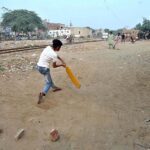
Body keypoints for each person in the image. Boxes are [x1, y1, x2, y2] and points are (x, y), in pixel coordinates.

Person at [37, 39, 66, 104]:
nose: (60, 48)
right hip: (44, 68)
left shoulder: (48, 47)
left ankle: (55, 87)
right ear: (58, 47)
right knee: (48, 83)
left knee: (49, 79)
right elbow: (54, 66)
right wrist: (62, 65)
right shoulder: (54, 55)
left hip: (38, 66)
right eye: (60, 47)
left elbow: (56, 56)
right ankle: (42, 93)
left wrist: (62, 60)